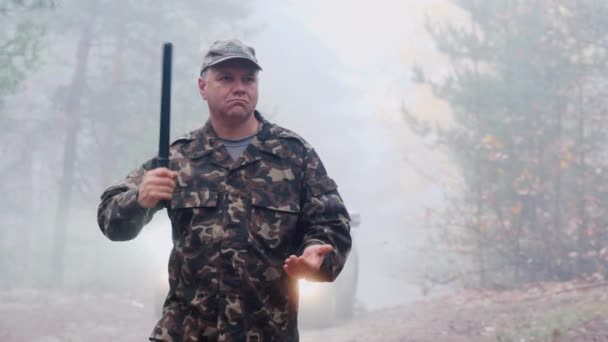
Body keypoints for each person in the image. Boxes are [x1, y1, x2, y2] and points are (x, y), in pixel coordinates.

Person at [97, 39, 352, 341]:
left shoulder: (293, 155)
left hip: (265, 333)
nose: (240, 87)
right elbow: (111, 219)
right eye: (226, 78)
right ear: (203, 87)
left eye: (248, 79)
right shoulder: (179, 158)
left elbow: (332, 224)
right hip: (186, 333)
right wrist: (138, 200)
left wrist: (316, 254)